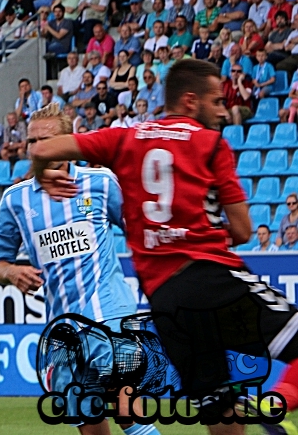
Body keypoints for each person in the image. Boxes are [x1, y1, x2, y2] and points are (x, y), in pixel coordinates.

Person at [30, 58, 298, 432]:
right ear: (190, 101)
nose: (223, 111)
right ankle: (277, 404)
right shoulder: (209, 144)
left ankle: (249, 408)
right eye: (217, 101)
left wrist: (46, 179)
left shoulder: (125, 137)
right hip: (211, 277)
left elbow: (42, 150)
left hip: (166, 301)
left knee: (218, 408)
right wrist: (195, 225)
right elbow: (242, 230)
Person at [0, 102, 154, 435]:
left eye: (46, 139)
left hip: (109, 310)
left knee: (125, 408)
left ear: (69, 141)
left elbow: (137, 229)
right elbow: (0, 264)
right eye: (32, 141)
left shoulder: (101, 183)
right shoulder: (15, 200)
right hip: (63, 325)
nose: (38, 148)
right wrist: (12, 273)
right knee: (89, 423)